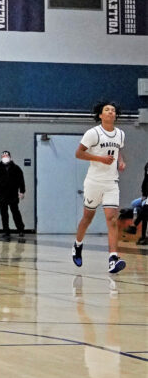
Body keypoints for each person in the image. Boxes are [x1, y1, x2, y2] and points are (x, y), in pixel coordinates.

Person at [71, 102, 127, 274]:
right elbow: (78, 153)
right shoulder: (93, 133)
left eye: (113, 110)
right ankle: (77, 245)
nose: (111, 112)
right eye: (107, 110)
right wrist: (101, 159)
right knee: (87, 218)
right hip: (94, 182)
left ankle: (113, 259)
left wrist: (120, 161)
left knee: (111, 219)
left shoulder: (120, 134)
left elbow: (117, 150)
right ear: (101, 115)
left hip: (111, 182)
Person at [0, 151, 26, 241]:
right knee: (4, 214)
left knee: (15, 212)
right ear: (1, 157)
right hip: (1, 195)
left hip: (13, 195)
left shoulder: (16, 168)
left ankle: (20, 229)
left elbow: (21, 181)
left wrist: (22, 191)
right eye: (3, 155)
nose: (5, 157)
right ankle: (6, 231)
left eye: (6, 155)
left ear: (10, 157)